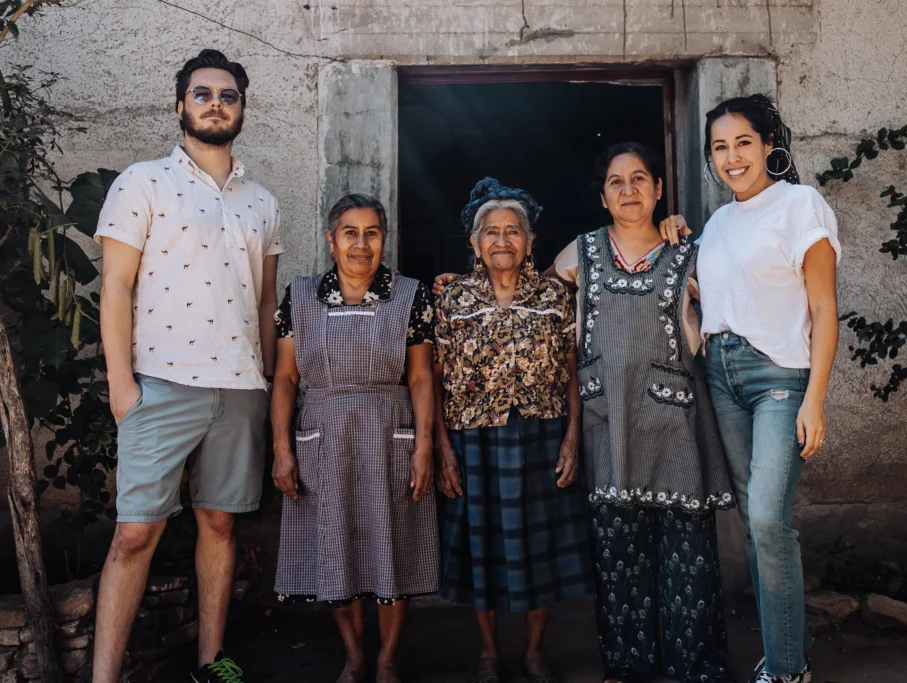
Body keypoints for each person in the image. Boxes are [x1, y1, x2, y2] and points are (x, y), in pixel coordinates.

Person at [435, 146, 736, 683]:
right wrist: (454, 283)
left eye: (639, 179)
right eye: (616, 182)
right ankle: (628, 666)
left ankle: (696, 669)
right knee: (618, 555)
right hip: (608, 425)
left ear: (659, 189)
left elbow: (729, 317)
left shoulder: (692, 252)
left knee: (686, 553)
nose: (629, 191)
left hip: (673, 426)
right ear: (602, 197)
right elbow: (531, 296)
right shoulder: (583, 255)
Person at [93, 49, 281, 683]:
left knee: (220, 523)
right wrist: (122, 386)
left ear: (242, 110)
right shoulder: (142, 182)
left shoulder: (262, 202)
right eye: (202, 94)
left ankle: (211, 663)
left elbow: (263, 301)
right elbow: (114, 288)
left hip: (239, 387)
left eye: (227, 96)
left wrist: (270, 380)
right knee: (134, 537)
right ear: (181, 106)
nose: (215, 104)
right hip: (160, 384)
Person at [662, 95, 840, 683]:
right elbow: (706, 297)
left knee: (767, 518)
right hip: (722, 374)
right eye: (720, 147)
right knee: (753, 520)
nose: (732, 157)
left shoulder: (800, 204)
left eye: (743, 142)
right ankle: (791, 638)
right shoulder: (716, 223)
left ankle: (787, 669)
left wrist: (815, 397)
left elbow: (823, 305)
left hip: (779, 379)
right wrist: (673, 236)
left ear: (768, 144)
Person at [270, 193, 437, 683]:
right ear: (331, 239)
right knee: (333, 544)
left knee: (393, 544)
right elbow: (284, 378)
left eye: (372, 233)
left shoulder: (410, 294)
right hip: (323, 437)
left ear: (385, 239)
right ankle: (354, 656)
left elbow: (423, 378)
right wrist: (282, 449)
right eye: (350, 233)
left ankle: (387, 658)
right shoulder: (299, 296)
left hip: (391, 434)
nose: (361, 245)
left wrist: (424, 445)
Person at [433, 179, 593, 683]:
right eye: (491, 232)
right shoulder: (452, 299)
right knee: (483, 551)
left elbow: (573, 367)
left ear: (530, 240)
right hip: (472, 438)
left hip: (541, 437)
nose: (502, 240)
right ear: (474, 243)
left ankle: (533, 650)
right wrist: (441, 448)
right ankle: (487, 652)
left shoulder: (554, 296)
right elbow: (432, 380)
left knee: (537, 553)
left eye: (513, 231)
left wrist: (573, 437)